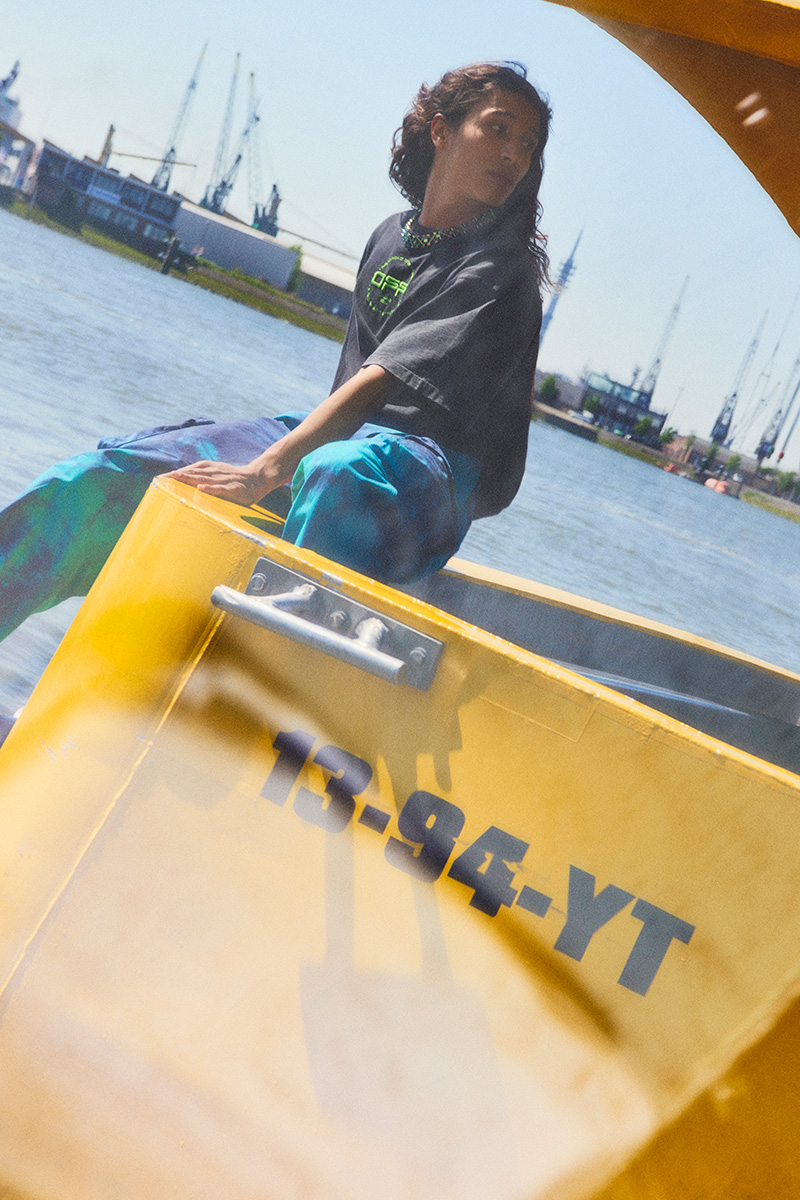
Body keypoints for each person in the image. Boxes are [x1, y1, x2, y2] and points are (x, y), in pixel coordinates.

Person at [0, 61, 551, 645]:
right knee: (108, 474)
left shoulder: (504, 270)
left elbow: (379, 379)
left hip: (429, 475)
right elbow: (350, 402)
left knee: (337, 475)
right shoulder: (390, 236)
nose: (513, 154)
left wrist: (264, 471)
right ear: (441, 130)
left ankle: (254, 672)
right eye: (498, 128)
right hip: (340, 440)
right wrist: (274, 463)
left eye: (528, 144)